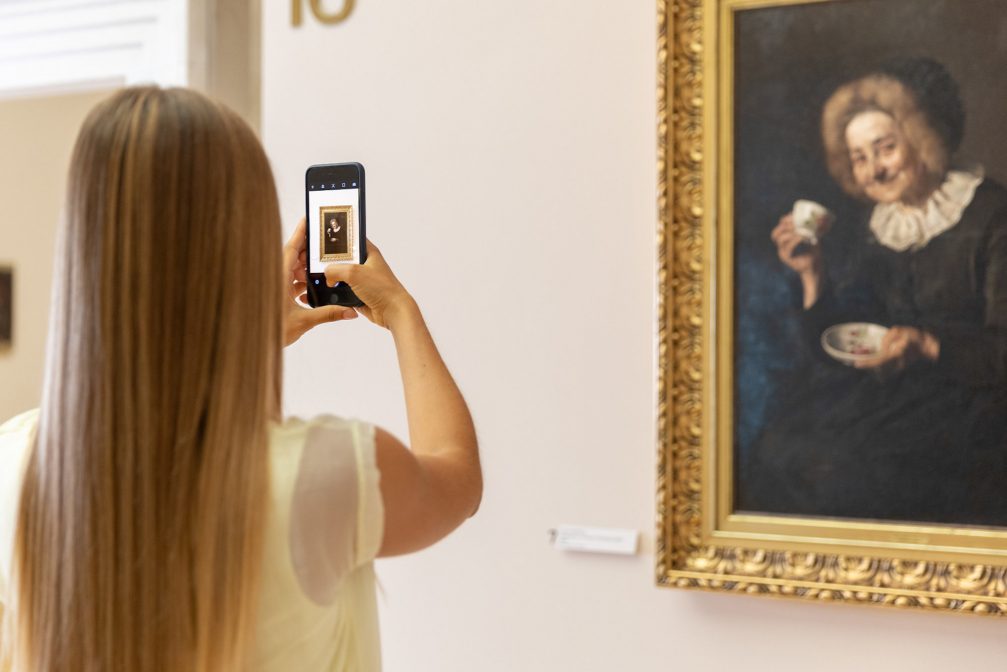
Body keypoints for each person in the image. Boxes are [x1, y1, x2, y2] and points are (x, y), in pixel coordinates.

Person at [0, 87, 481, 671]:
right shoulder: (323, 476)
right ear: (241, 249)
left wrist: (240, 337)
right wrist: (400, 310)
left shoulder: (14, 466)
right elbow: (455, 476)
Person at [741, 58, 1007, 524]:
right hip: (896, 398)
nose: (874, 171)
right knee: (777, 447)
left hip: (977, 406)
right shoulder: (877, 226)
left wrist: (928, 345)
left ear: (922, 138)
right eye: (859, 158)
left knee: (844, 469)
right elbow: (845, 342)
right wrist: (812, 274)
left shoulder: (993, 216)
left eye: (885, 149)